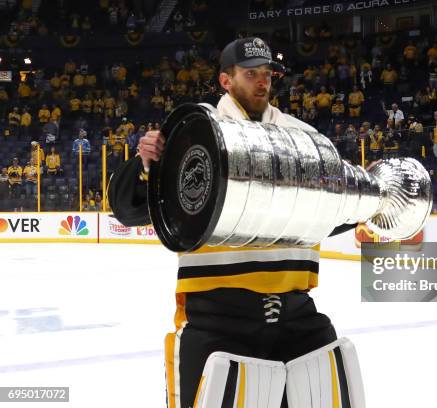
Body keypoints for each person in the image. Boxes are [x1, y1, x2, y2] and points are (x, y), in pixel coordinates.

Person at [109, 37, 363, 408]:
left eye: (266, 74)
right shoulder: (196, 132)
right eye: (250, 74)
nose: (262, 82)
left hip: (298, 313)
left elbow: (325, 215)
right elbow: (127, 209)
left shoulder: (304, 137)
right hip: (217, 316)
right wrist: (147, 166)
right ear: (226, 81)